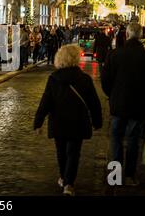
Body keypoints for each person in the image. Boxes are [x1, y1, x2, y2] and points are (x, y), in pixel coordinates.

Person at [34, 44, 102, 196]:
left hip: (58, 121)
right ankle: (69, 184)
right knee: (73, 152)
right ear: (76, 59)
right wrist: (97, 121)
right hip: (77, 122)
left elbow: (46, 101)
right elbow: (94, 102)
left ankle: (64, 177)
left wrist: (38, 122)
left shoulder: (53, 79)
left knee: (61, 151)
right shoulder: (84, 79)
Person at [101, 22, 145, 186]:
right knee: (133, 141)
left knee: (116, 139)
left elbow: (105, 81)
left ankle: (115, 176)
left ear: (126, 35)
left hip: (118, 105)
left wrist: (112, 95)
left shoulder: (114, 55)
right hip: (139, 106)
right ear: (140, 36)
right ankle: (129, 176)